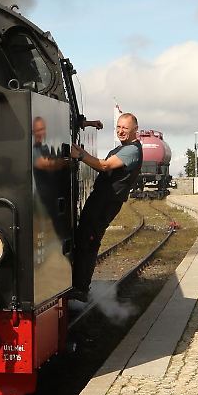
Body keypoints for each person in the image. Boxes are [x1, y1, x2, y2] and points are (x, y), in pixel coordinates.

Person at [70, 112, 143, 302]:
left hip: (107, 201)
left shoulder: (132, 151)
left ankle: (81, 288)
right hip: (102, 198)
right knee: (84, 235)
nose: (120, 131)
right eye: (118, 127)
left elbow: (104, 166)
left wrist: (80, 155)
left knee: (89, 238)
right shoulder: (124, 148)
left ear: (135, 130)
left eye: (125, 128)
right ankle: (78, 284)